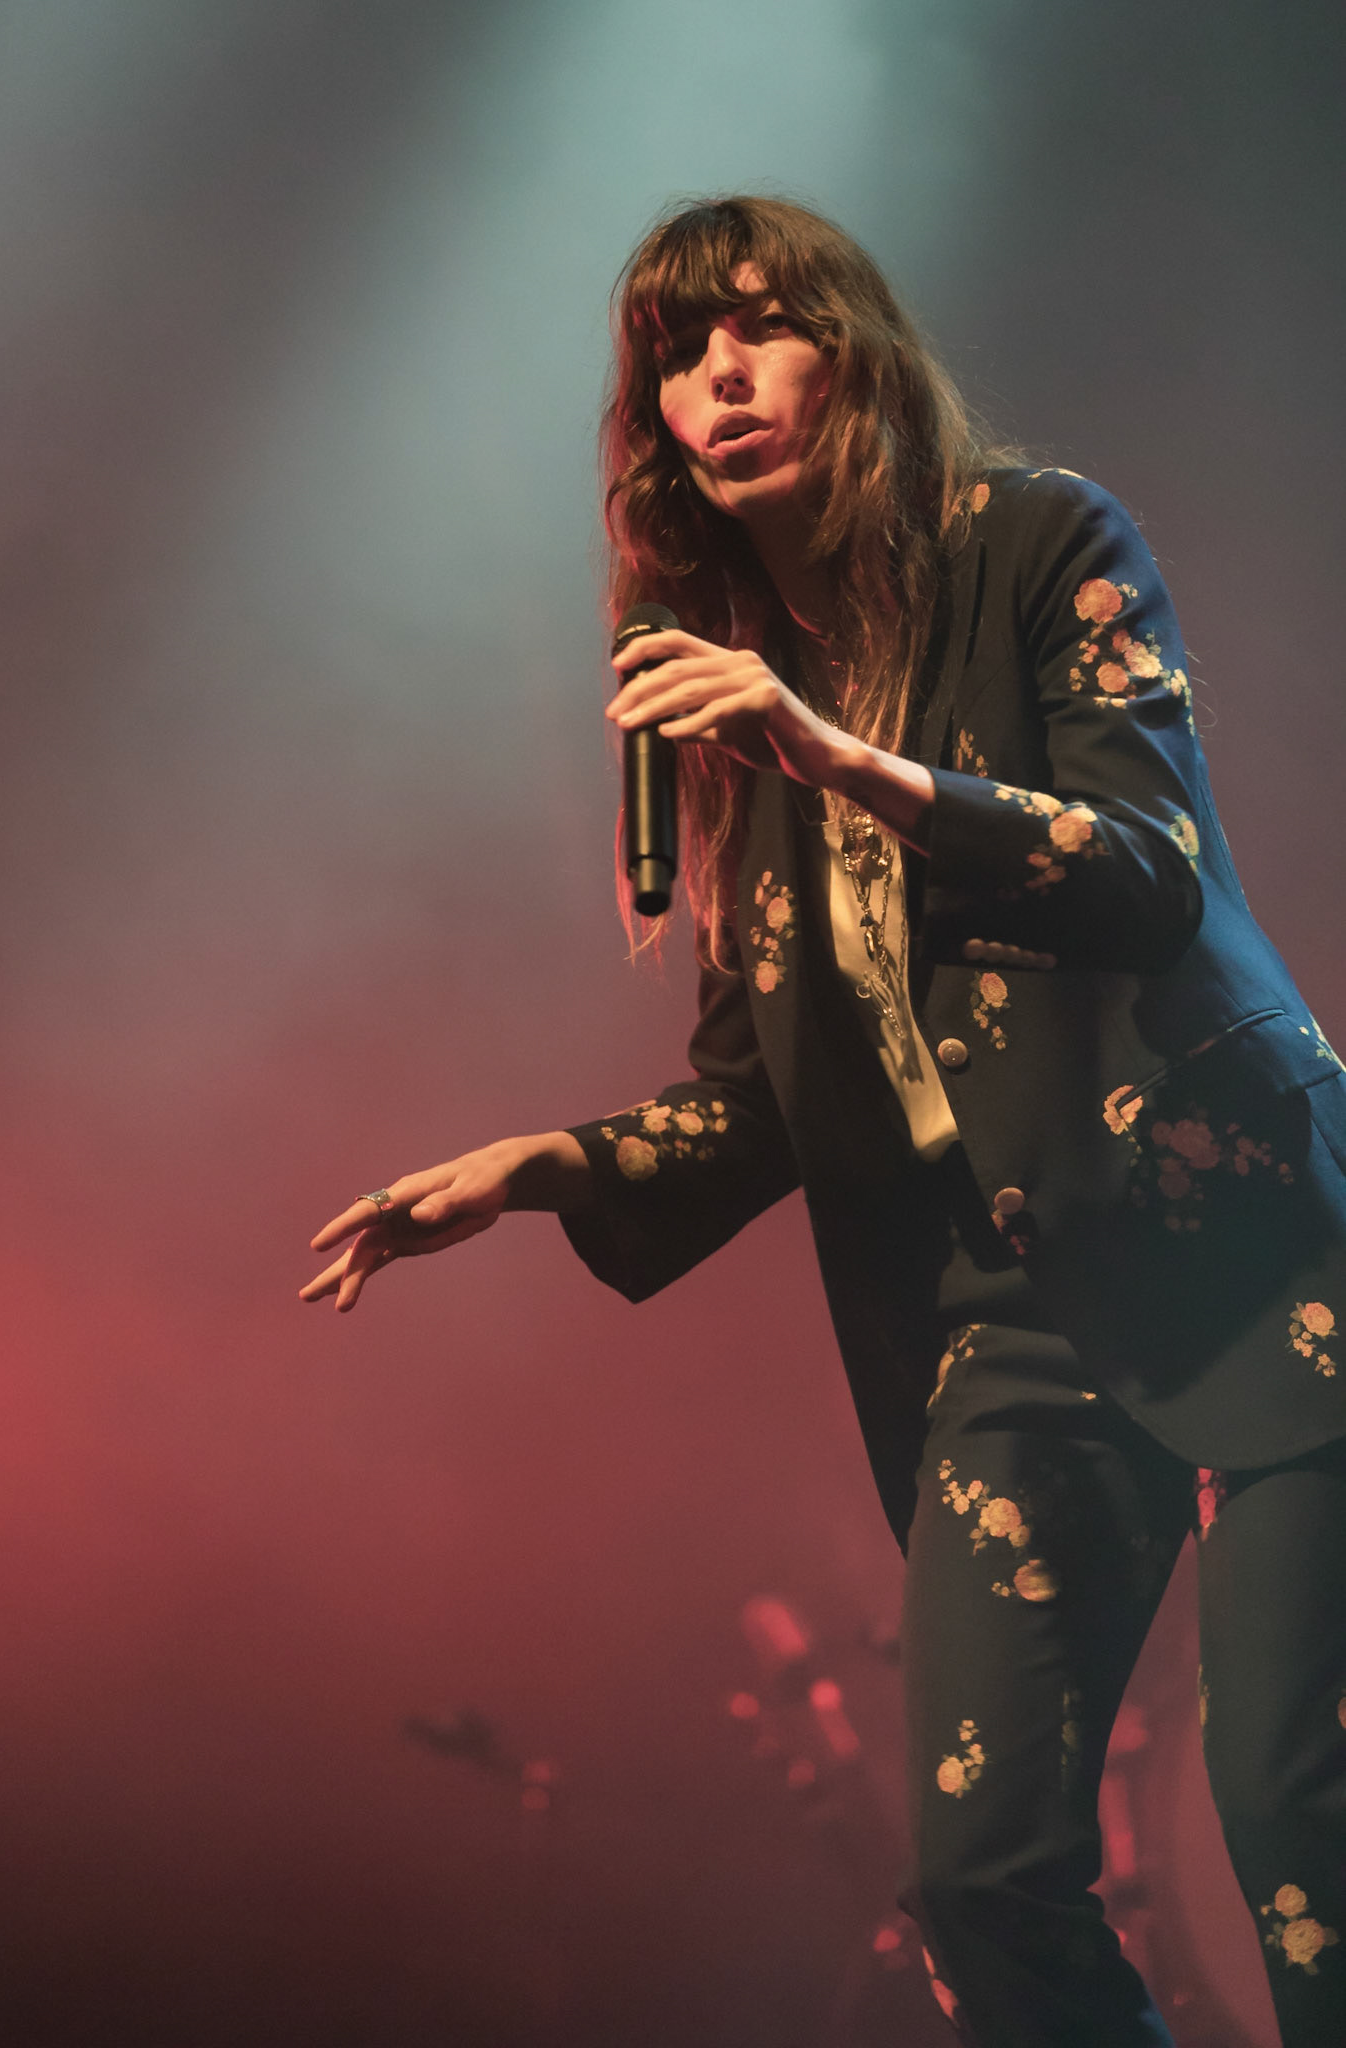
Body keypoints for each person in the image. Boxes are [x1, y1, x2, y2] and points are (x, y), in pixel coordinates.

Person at [301, 197, 1346, 2047]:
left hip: (1242, 1251)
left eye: (760, 327)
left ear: (853, 357)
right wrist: (544, 1168)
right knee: (978, 1881)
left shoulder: (1038, 542)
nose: (717, 377)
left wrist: (840, 755)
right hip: (1004, 1318)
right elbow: (759, 1101)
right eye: (674, 353)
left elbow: (1146, 871)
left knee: (1292, 1813)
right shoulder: (736, 715)